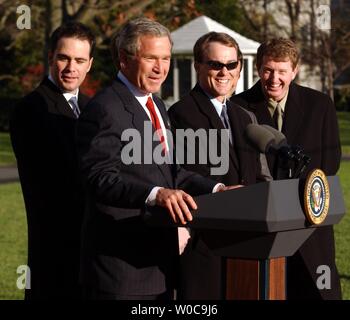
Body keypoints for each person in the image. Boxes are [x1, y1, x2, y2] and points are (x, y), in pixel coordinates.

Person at [75, 18, 231, 300]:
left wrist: (217, 190)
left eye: (166, 59)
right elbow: (99, 179)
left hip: (159, 265)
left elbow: (171, 172)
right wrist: (155, 194)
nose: (161, 68)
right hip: (121, 271)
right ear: (124, 59)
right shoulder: (105, 108)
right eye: (150, 58)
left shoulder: (157, 104)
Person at [231, 38, 342, 299]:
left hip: (311, 224)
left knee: (320, 293)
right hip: (261, 227)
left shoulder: (320, 105)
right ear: (258, 68)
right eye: (268, 70)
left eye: (282, 71)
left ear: (294, 70)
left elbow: (331, 162)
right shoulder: (237, 108)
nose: (274, 78)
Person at [168, 32, 271, 299]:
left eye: (231, 64)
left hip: (246, 242)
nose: (224, 72)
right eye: (215, 64)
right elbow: (186, 176)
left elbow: (256, 175)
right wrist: (223, 191)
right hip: (205, 243)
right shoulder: (182, 114)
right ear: (198, 66)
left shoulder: (243, 116)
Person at [10, 22, 95, 299]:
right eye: (64, 57)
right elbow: (55, 182)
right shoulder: (30, 110)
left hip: (93, 249)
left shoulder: (94, 107)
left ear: (90, 64)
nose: (72, 67)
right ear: (50, 58)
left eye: (80, 60)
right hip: (54, 248)